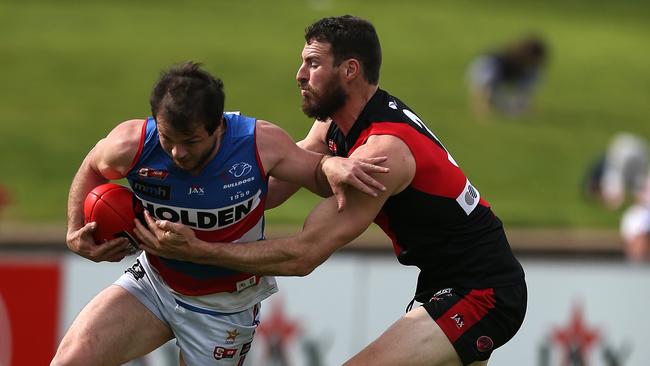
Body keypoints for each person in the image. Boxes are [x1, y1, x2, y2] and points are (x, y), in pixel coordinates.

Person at [134, 16, 527, 366]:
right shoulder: (334, 126)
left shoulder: (382, 153)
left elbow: (303, 255)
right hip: (444, 282)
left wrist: (199, 251)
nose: (299, 75)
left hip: (483, 291)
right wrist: (178, 198)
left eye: (313, 63)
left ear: (350, 70)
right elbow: (260, 191)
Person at [52, 61, 388, 366]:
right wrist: (74, 231)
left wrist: (333, 166)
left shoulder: (258, 143)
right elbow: (93, 164)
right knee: (70, 361)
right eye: (168, 138)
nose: (177, 152)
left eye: (191, 141)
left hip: (225, 309)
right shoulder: (131, 145)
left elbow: (314, 171)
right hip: (154, 284)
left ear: (219, 128)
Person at [467, 34, 547, 119]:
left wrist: (524, 105)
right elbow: (483, 83)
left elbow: (525, 91)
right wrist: (483, 105)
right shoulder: (495, 60)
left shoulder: (531, 69)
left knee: (510, 106)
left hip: (497, 84)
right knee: (491, 96)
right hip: (483, 75)